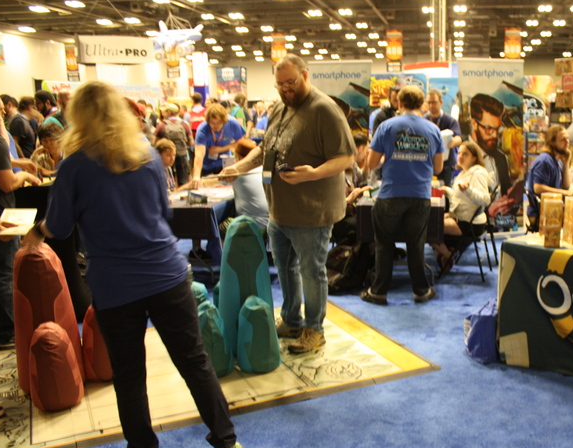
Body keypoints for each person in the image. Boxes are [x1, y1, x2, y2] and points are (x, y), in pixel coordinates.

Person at [21, 81, 244, 448]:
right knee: (193, 360)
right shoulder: (146, 154)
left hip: (115, 285)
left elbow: (59, 225)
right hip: (166, 274)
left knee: (129, 373)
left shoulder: (74, 165)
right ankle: (226, 441)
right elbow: (164, 211)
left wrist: (35, 232)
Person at [222, 54, 355, 354]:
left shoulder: (325, 110)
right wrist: (239, 167)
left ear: (305, 75)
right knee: (285, 269)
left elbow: (347, 158)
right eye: (280, 84)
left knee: (312, 272)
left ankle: (314, 329)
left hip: (312, 213)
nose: (285, 89)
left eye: (291, 82)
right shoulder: (281, 107)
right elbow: (265, 150)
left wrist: (313, 173)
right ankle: (292, 320)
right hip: (279, 211)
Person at [361, 85, 444, 305]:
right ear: (421, 104)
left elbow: (371, 164)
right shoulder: (433, 130)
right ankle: (421, 291)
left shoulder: (386, 126)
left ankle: (378, 292)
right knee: (416, 245)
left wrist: (389, 158)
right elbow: (438, 168)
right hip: (420, 195)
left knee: (384, 245)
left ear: (399, 103)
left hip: (390, 194)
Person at [0, 94, 41, 351]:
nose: (2, 115)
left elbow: (0, 159)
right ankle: (9, 332)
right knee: (3, 272)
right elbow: (7, 182)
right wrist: (24, 176)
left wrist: (17, 162)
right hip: (0, 215)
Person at [431, 141, 490, 274]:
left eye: (465, 154)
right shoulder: (463, 173)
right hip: (461, 217)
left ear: (474, 158)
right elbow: (460, 198)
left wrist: (468, 191)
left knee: (427, 226)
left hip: (469, 224)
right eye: (459, 153)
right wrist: (448, 191)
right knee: (430, 220)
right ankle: (446, 254)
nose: (461, 156)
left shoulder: (477, 173)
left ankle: (447, 255)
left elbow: (486, 200)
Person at [525, 125, 572, 227]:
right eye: (563, 139)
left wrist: (566, 164)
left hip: (552, 208)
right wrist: (565, 193)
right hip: (541, 212)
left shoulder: (557, 161)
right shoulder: (545, 161)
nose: (567, 142)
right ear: (553, 142)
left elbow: (566, 186)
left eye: (567, 138)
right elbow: (538, 188)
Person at [189, 102, 245, 185]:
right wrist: (196, 176)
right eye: (212, 123)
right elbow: (199, 155)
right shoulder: (202, 129)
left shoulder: (233, 124)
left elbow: (241, 143)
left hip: (225, 165)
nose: (216, 126)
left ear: (224, 121)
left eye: (219, 122)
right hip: (207, 166)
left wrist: (221, 149)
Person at [469, 93, 512, 196]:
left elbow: (506, 193)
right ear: (474, 124)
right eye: (489, 129)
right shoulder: (461, 155)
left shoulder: (501, 158)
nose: (495, 135)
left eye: (497, 129)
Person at [424, 88, 463, 187]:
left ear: (441, 102)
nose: (431, 105)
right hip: (428, 163)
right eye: (429, 102)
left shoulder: (449, 120)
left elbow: (459, 138)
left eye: (434, 102)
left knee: (445, 191)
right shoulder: (424, 120)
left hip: (446, 165)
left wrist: (450, 141)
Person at [154, 103, 193, 186]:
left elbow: (154, 142)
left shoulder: (162, 125)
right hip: (182, 155)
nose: (162, 113)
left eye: (164, 112)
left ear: (169, 112)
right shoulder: (184, 124)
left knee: (168, 181)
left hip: (166, 157)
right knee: (183, 180)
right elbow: (191, 142)